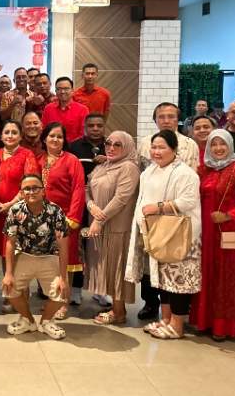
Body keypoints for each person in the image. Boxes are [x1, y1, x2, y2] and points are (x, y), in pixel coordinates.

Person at [126, 130, 202, 340]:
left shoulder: (185, 173)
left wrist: (158, 207)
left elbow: (188, 201)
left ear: (174, 149)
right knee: (162, 280)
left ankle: (177, 325)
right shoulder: (149, 171)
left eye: (162, 147)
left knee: (177, 282)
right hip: (157, 234)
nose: (156, 152)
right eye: (154, 147)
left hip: (180, 235)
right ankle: (166, 319)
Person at [190, 129, 235, 341]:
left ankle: (224, 326)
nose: (218, 148)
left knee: (227, 278)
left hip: (230, 232)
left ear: (230, 146)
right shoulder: (205, 169)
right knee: (207, 274)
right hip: (206, 232)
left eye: (223, 144)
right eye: (214, 144)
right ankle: (205, 321)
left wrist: (229, 215)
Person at [2, 173, 71, 340]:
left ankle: (46, 321)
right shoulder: (15, 210)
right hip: (24, 255)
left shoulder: (55, 211)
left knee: (62, 293)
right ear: (21, 192)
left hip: (49, 256)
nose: (31, 192)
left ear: (43, 191)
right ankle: (28, 320)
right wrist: (8, 273)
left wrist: (64, 277)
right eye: (27, 189)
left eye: (35, 188)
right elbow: (10, 242)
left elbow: (63, 245)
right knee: (8, 289)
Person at [85, 131, 140, 326]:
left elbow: (121, 198)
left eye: (118, 145)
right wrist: (91, 205)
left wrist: (99, 220)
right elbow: (87, 188)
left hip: (117, 227)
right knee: (105, 267)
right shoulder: (103, 166)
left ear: (127, 147)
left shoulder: (129, 167)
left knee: (117, 267)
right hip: (98, 225)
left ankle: (119, 311)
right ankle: (114, 308)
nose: (111, 148)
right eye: (108, 143)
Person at [37, 122, 86, 318]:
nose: (55, 139)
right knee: (48, 262)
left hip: (65, 219)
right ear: (44, 138)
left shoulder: (71, 160)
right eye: (52, 136)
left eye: (59, 136)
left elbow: (78, 189)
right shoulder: (39, 160)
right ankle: (52, 299)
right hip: (42, 220)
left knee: (65, 263)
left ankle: (63, 303)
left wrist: (72, 218)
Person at [0, 120, 38, 312]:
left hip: (19, 212)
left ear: (20, 136)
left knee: (20, 254)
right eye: (7, 132)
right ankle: (9, 293)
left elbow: (30, 184)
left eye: (14, 132)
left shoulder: (27, 155)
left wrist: (10, 204)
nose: (10, 136)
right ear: (1, 136)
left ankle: (22, 296)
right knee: (6, 255)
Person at [137, 102, 200, 170]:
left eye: (171, 117)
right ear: (155, 120)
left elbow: (193, 171)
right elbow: (140, 170)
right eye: (161, 117)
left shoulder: (190, 144)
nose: (166, 121)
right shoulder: (145, 143)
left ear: (178, 119)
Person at [41, 77, 89, 144]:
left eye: (66, 89)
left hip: (75, 147)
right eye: (59, 89)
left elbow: (83, 134)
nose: (62, 92)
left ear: (72, 90)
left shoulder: (83, 110)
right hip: (52, 146)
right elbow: (44, 130)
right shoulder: (48, 108)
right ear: (55, 91)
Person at [70, 113, 107, 179]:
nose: (95, 129)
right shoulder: (72, 147)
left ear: (104, 127)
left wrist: (109, 160)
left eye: (99, 126)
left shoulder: (113, 147)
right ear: (85, 128)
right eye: (91, 126)